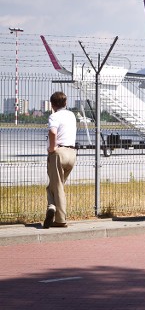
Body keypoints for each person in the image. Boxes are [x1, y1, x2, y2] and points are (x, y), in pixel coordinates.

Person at [44, 91, 77, 229]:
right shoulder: (71, 115)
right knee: (56, 186)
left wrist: (52, 149)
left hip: (59, 154)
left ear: (52, 104)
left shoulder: (54, 116)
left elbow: (52, 132)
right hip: (72, 153)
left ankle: (60, 219)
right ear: (65, 103)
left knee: (57, 187)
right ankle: (51, 206)